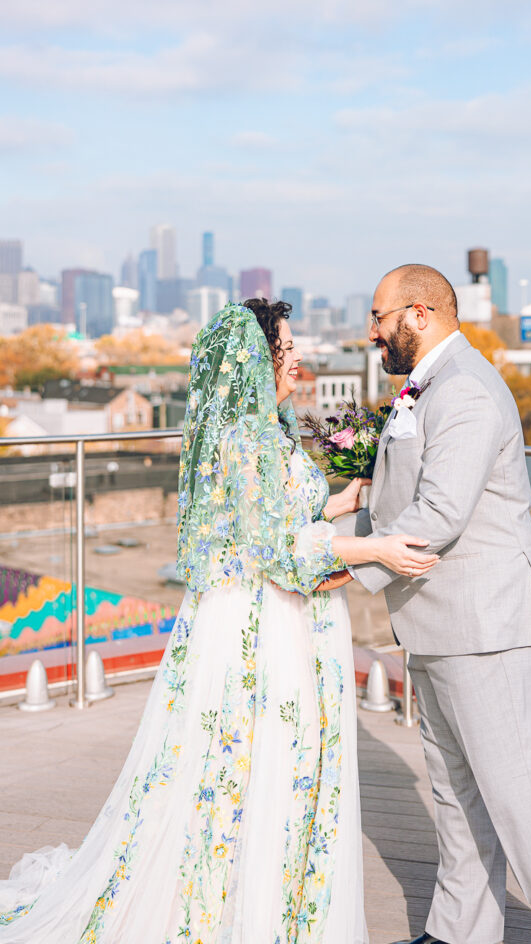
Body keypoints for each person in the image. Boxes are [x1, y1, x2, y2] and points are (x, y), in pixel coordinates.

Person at [0, 299, 439, 944]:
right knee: (245, 767)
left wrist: (357, 490)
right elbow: (284, 552)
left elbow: (291, 518)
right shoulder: (243, 440)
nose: (295, 359)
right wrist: (376, 548)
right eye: (284, 349)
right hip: (258, 628)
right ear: (255, 362)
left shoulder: (272, 430)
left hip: (294, 620)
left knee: (284, 770)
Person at [334, 266, 531, 944]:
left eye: (379, 316)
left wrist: (334, 557)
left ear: (420, 311)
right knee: (455, 792)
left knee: (519, 800)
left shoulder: (462, 389)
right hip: (438, 619)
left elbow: (438, 514)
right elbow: (404, 494)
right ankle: (459, 932)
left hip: (486, 625)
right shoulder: (422, 387)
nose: (370, 331)